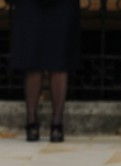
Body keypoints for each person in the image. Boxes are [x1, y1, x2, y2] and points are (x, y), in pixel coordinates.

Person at [9, 0, 80, 143]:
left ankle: (57, 123)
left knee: (59, 59)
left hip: (63, 5)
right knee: (32, 58)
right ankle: (31, 120)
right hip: (29, 4)